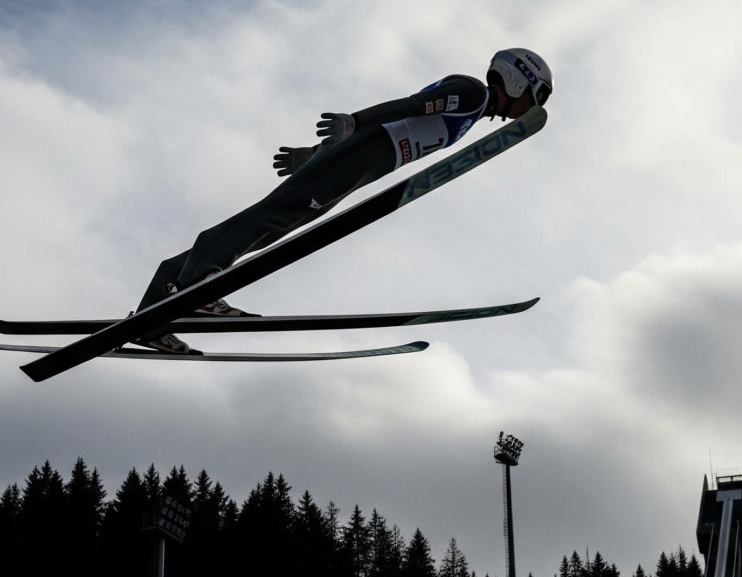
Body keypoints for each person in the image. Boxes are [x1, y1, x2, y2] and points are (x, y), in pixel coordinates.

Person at [134, 48, 554, 353]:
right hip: (366, 151)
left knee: (274, 225)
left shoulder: (473, 111)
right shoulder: (472, 92)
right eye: (535, 95)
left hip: (364, 160)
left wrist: (312, 155)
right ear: (518, 79)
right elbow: (409, 106)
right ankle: (200, 287)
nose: (530, 107)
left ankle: (156, 310)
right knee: (275, 218)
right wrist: (354, 123)